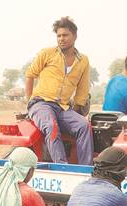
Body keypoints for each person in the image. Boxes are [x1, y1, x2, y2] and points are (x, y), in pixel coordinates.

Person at [25, 16, 93, 165]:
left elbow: (82, 89)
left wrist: (75, 111)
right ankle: (62, 167)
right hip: (41, 103)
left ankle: (85, 170)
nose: (61, 39)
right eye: (59, 36)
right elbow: (30, 75)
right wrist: (30, 101)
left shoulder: (83, 61)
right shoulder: (47, 53)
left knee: (84, 125)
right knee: (51, 126)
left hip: (63, 107)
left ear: (75, 36)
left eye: (65, 35)